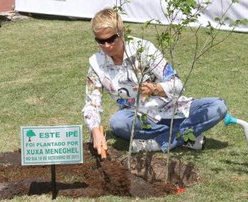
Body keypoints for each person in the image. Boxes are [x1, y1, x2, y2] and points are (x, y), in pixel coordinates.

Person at [82, 8, 228, 156]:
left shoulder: (144, 49)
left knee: (218, 106)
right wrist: (95, 130)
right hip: (138, 117)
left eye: (111, 39)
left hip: (172, 109)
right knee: (118, 123)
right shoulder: (96, 64)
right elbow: (91, 104)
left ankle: (158, 143)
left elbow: (177, 85)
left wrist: (155, 88)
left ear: (122, 31)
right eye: (101, 41)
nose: (107, 45)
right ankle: (185, 135)